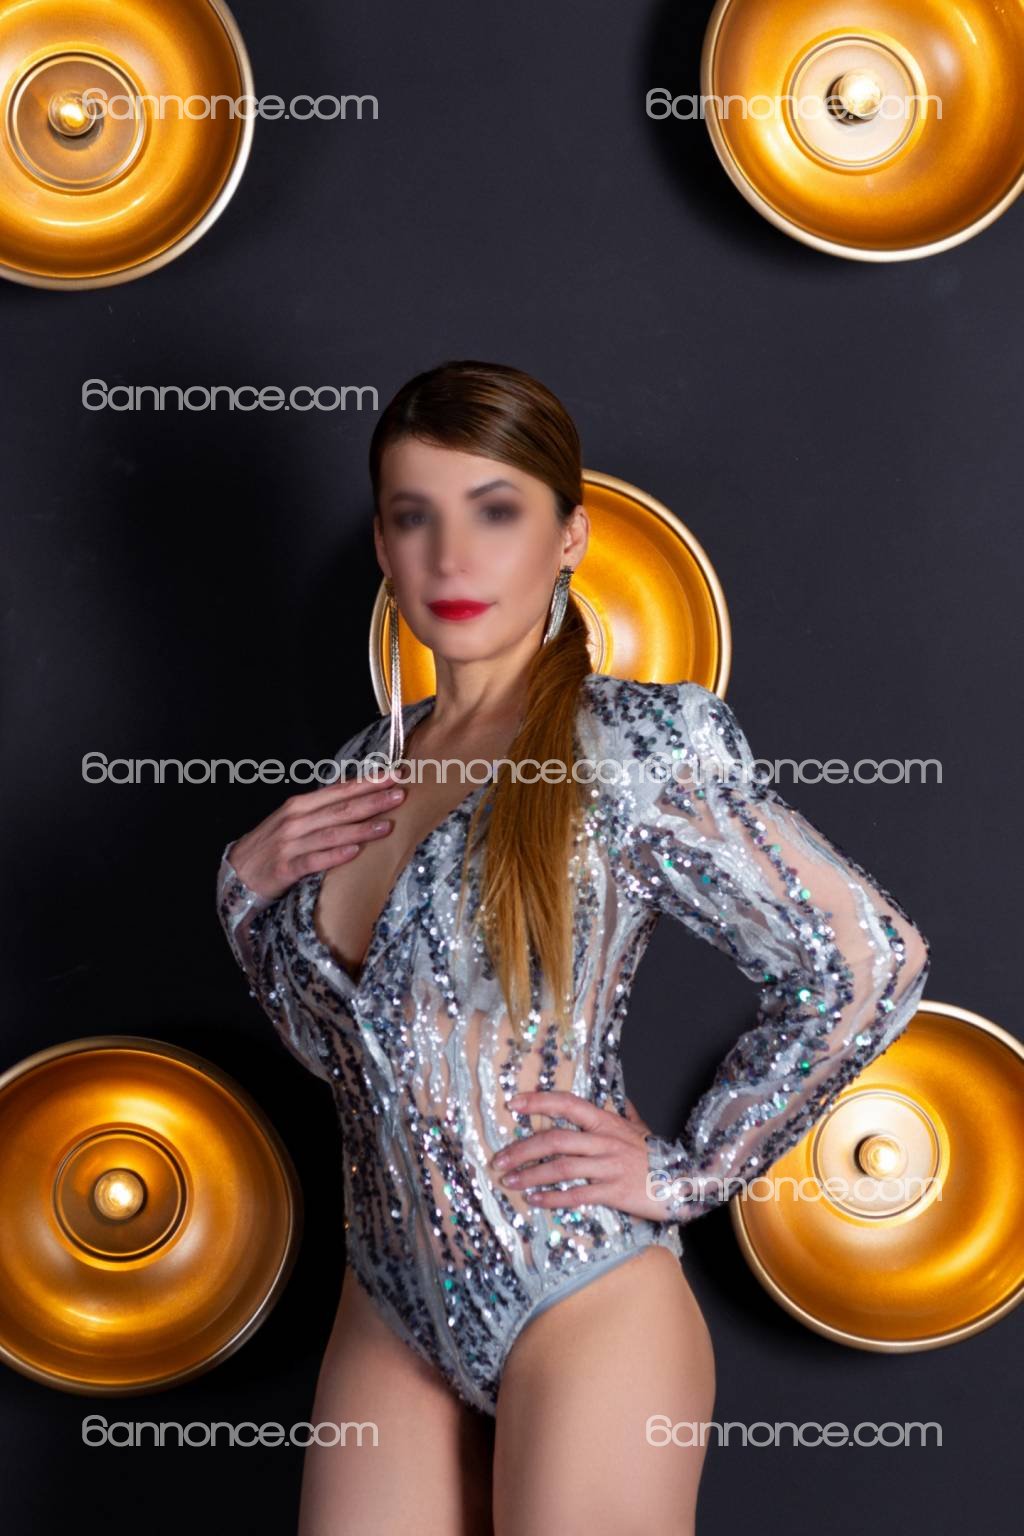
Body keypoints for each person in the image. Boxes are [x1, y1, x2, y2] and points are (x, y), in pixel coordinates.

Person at [215, 359, 931, 1536]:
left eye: (494, 511)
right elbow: (348, 1054)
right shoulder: (358, 777)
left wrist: (690, 1169)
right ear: (384, 548)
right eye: (414, 516)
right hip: (386, 1299)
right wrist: (245, 891)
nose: (452, 557)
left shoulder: (630, 748)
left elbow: (868, 960)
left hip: (583, 1293)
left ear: (568, 537)